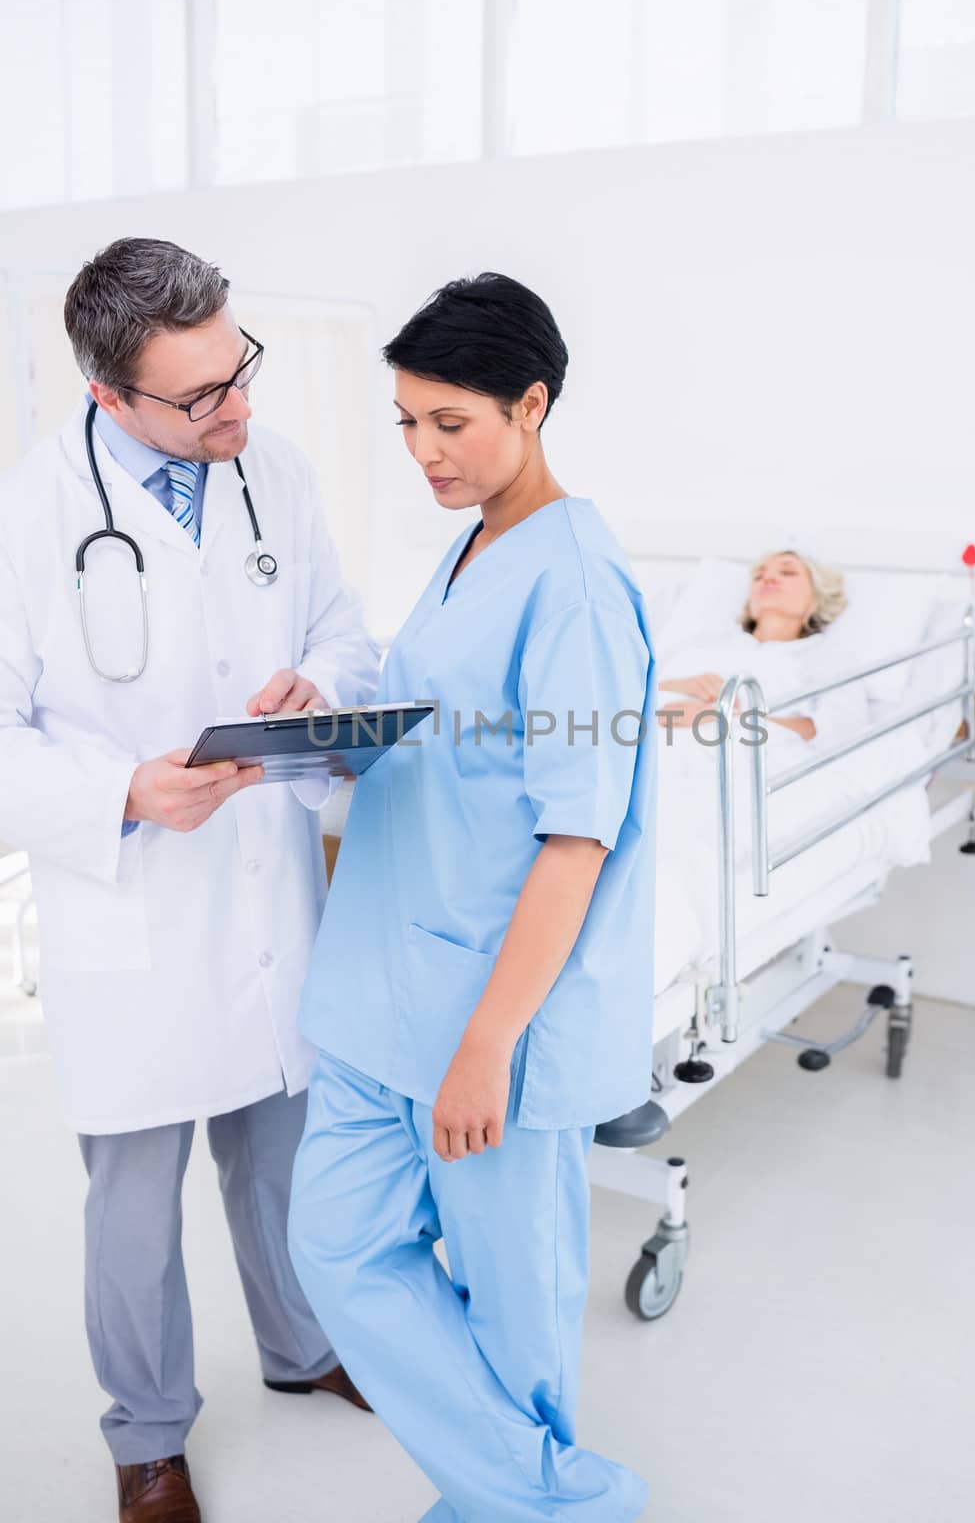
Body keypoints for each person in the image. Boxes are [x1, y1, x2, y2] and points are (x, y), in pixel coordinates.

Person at [0, 239, 380, 1523]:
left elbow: (340, 624)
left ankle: (301, 1347)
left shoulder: (271, 466)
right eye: (202, 394)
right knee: (135, 1197)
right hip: (136, 908)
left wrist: (317, 686)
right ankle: (148, 1433)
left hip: (268, 885)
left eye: (241, 370)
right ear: (112, 396)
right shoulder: (28, 512)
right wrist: (120, 792)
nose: (240, 408)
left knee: (281, 1157)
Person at [287, 273, 656, 1521]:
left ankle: (513, 1496)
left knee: (513, 1295)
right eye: (406, 422)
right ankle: (539, 1494)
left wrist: (487, 1043)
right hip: (379, 983)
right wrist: (325, 734)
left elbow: (573, 837)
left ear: (531, 404)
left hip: (486, 1009)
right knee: (336, 1247)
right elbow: (444, 742)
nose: (422, 452)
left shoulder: (580, 588)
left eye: (450, 421)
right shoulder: (470, 549)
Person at [656, 548, 863, 747]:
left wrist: (726, 718)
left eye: (787, 572)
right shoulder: (702, 646)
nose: (768, 579)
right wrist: (680, 685)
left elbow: (836, 732)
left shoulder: (826, 659)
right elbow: (636, 697)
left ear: (818, 595)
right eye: (758, 576)